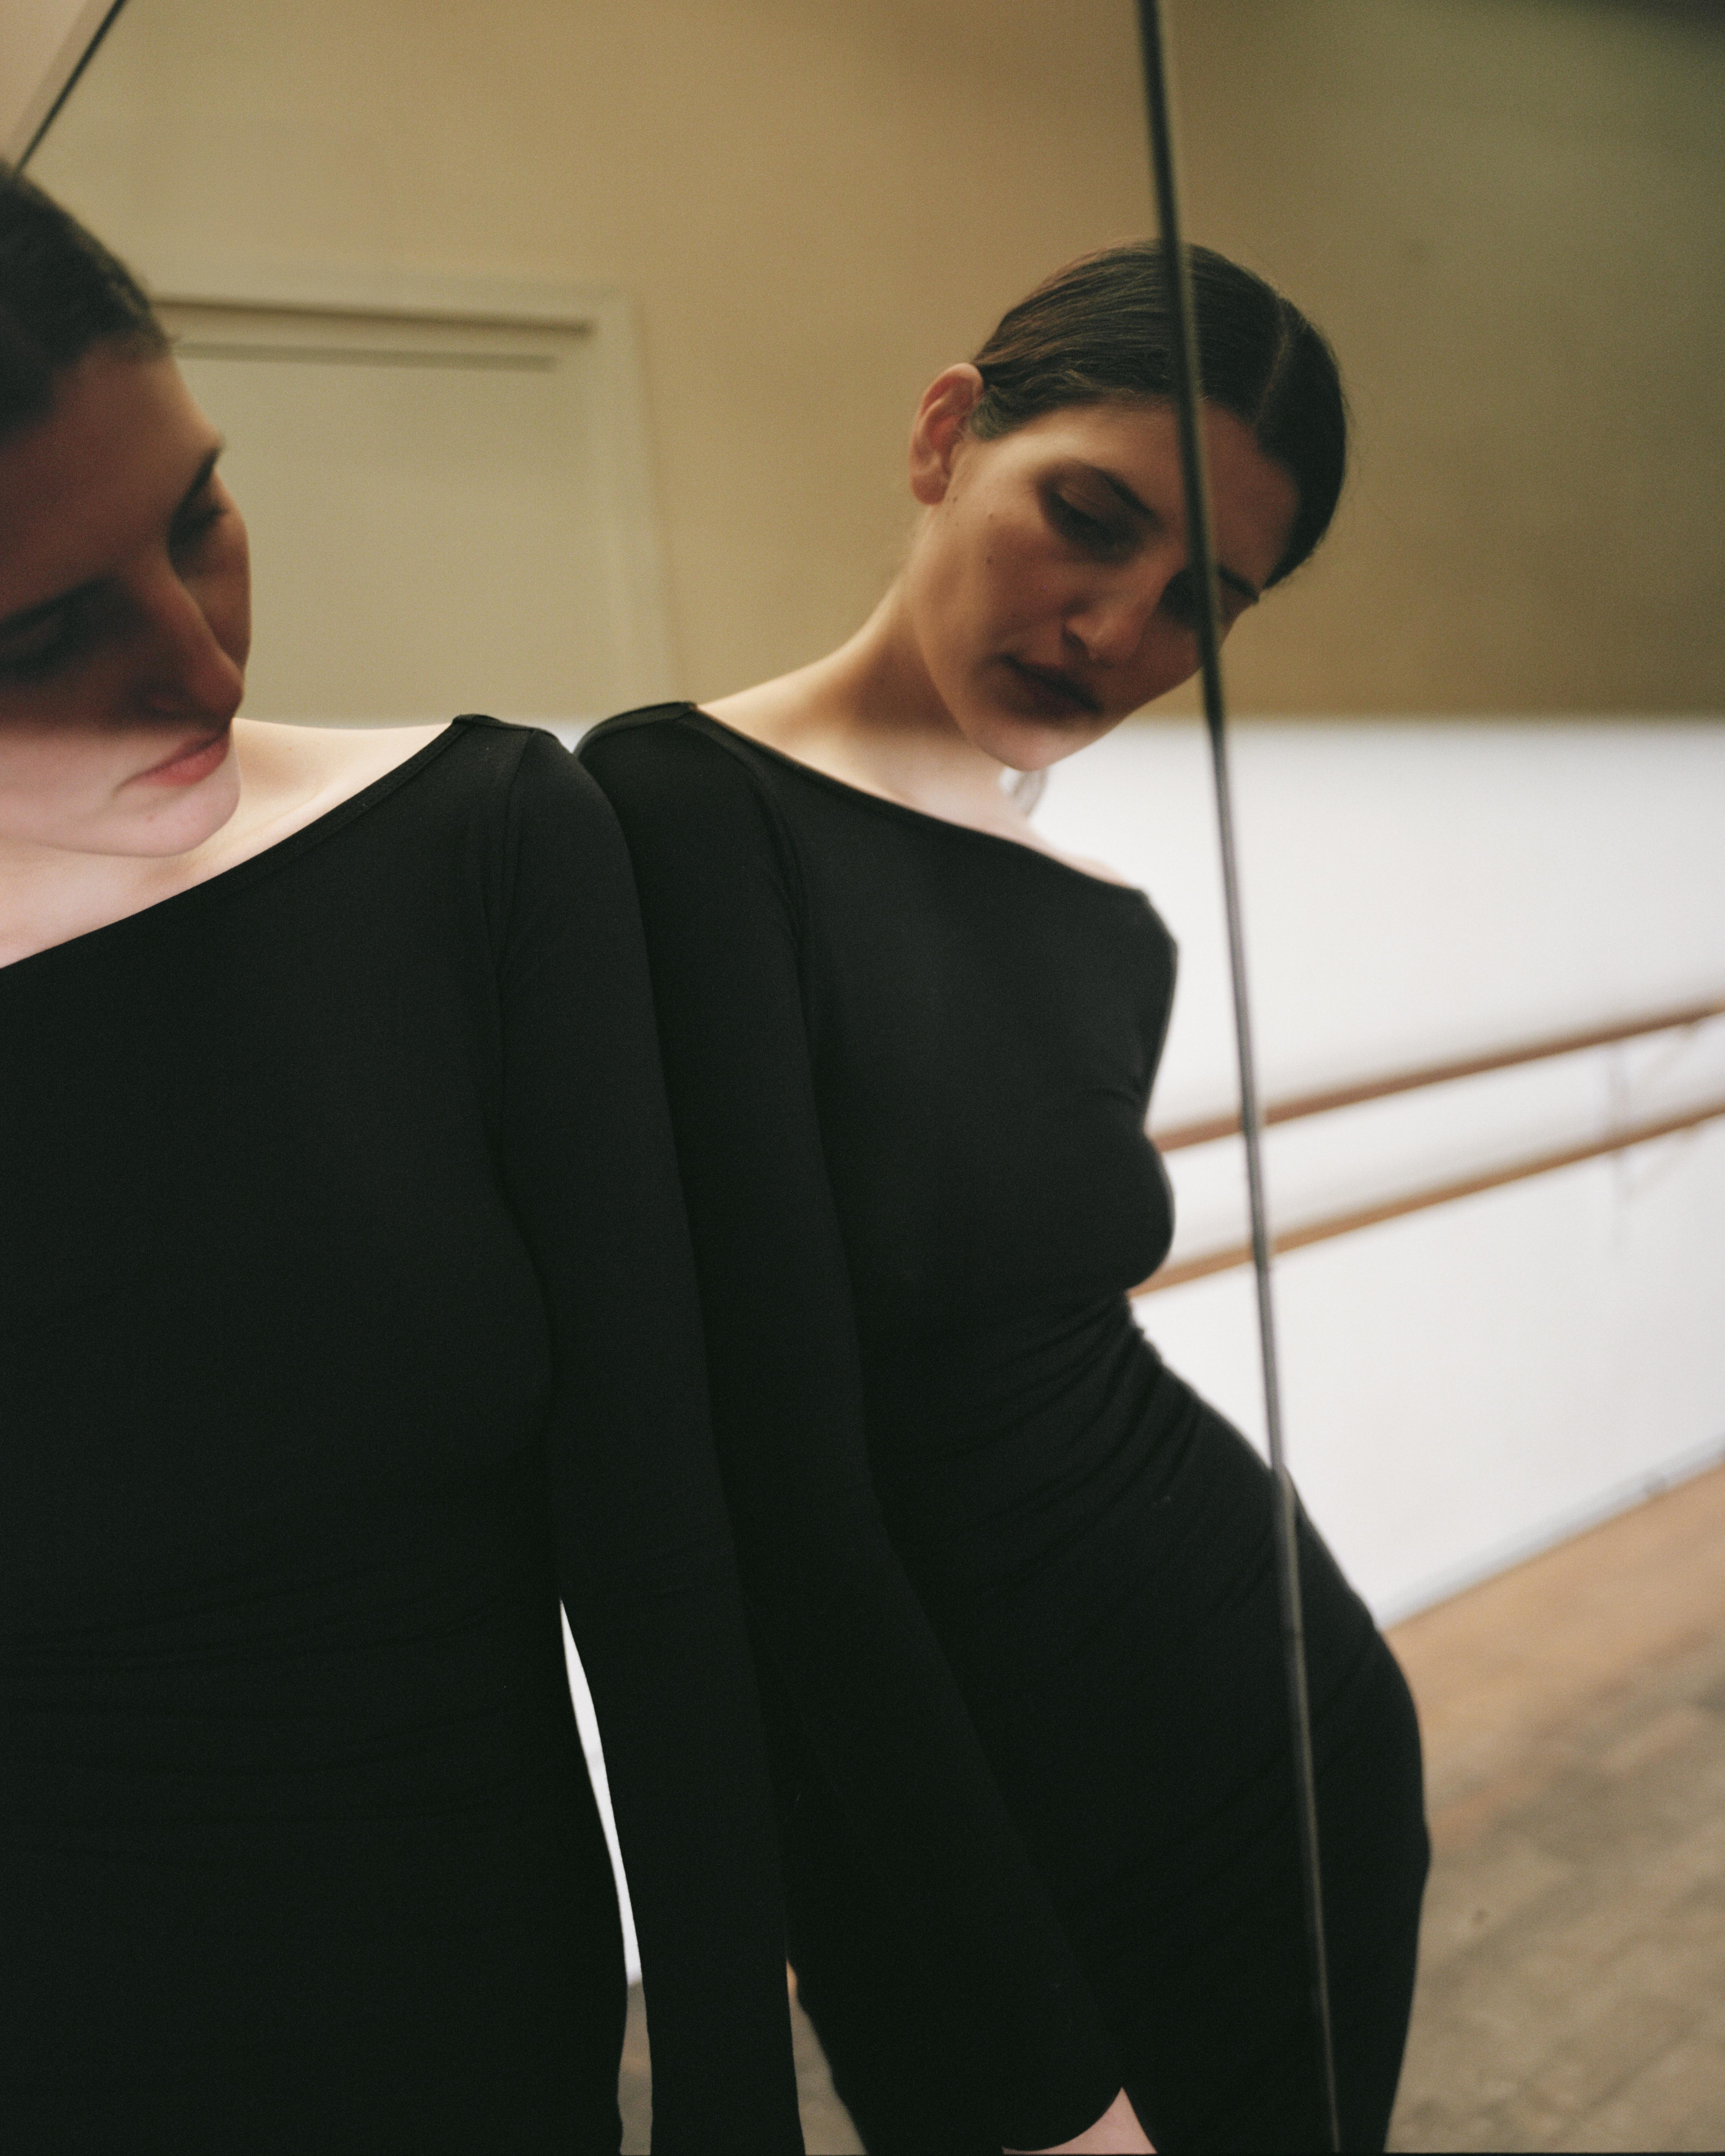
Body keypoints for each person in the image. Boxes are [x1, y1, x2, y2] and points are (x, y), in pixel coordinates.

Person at [578, 242, 1431, 2155]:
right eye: (1091, 521)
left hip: (1285, 1735)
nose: (1118, 630)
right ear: (947, 435)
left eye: (1202, 602)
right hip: (964, 1825)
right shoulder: (683, 815)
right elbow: (780, 1499)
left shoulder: (1108, 932)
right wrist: (1028, 2065)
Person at [0, 169, 805, 2155]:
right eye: (39, 631)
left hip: (470, 2043)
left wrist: (733, 2111)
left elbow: (668, 1567)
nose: (199, 666)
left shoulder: (481, 845)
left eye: (198, 517)